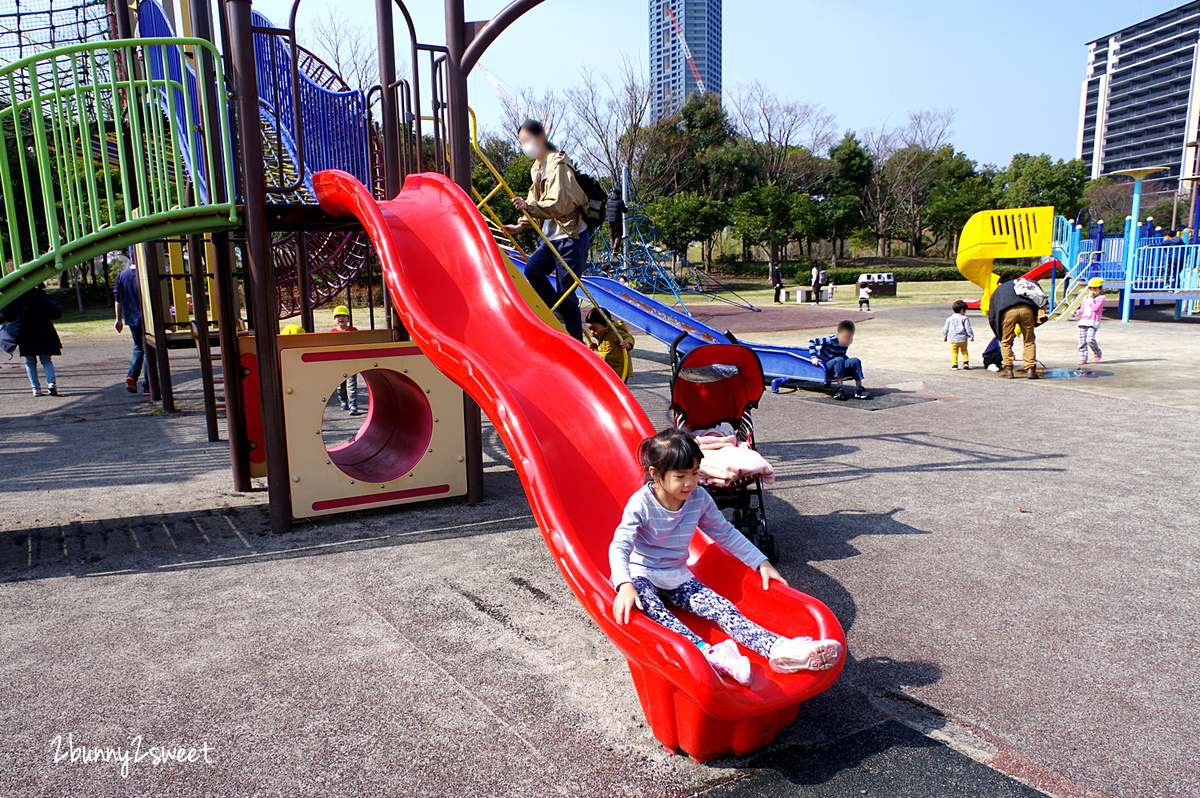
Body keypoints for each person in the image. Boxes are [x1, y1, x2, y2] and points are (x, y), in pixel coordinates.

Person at [610, 429, 842, 686]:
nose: (689, 483)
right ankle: (708, 653)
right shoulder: (641, 503)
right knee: (649, 608)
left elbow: (724, 532)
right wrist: (624, 584)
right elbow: (619, 546)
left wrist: (760, 561)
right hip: (641, 574)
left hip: (676, 576)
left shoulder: (698, 498)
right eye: (680, 476)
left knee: (721, 607)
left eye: (695, 473)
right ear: (655, 474)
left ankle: (780, 648)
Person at [503, 119, 590, 341]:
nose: (524, 146)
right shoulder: (537, 167)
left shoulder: (559, 165)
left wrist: (529, 207)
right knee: (532, 270)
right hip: (550, 238)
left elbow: (558, 203)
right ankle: (557, 310)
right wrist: (520, 225)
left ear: (540, 138)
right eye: (521, 142)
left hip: (570, 236)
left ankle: (576, 345)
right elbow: (533, 201)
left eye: (526, 141)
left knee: (567, 294)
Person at [1, 286, 62, 396]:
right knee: (46, 359)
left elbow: (6, 314)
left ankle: (36, 389)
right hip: (43, 329)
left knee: (30, 362)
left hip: (24, 330)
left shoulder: (16, 295)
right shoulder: (40, 294)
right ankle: (51, 383)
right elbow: (56, 313)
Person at [987, 276, 1047, 379]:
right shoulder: (1026, 283)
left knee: (1006, 342)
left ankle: (1008, 369)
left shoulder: (999, 290)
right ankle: (1031, 369)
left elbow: (992, 314)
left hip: (1007, 311)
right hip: (1027, 310)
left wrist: (998, 333)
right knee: (1029, 340)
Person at [809, 320, 871, 400]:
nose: (847, 340)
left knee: (855, 360)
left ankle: (859, 388)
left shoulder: (847, 342)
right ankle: (839, 387)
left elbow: (841, 353)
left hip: (839, 365)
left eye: (849, 337)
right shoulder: (831, 340)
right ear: (838, 334)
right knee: (839, 360)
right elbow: (812, 342)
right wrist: (814, 357)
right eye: (844, 337)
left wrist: (849, 362)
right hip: (826, 366)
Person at [113, 261, 149, 395]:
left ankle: (132, 375)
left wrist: (118, 319)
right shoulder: (145, 274)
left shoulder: (122, 276)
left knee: (138, 347)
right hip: (148, 317)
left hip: (132, 317)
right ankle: (148, 386)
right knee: (149, 351)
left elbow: (118, 298)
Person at [584, 307, 634, 382]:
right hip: (608, 368)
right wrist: (596, 346)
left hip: (619, 370)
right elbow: (607, 347)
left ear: (606, 326)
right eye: (590, 329)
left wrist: (628, 344)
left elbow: (629, 337)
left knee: (617, 388)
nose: (591, 332)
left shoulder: (615, 332)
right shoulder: (601, 333)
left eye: (594, 329)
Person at [329, 305, 359, 414]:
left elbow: (358, 343)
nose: (340, 318)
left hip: (351, 362)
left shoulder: (353, 331)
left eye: (343, 316)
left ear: (348, 319)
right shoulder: (332, 332)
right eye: (338, 316)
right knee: (340, 385)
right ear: (334, 319)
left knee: (352, 385)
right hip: (339, 363)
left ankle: (353, 405)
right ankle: (343, 400)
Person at [1073, 277, 1105, 364]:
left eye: (1095, 290)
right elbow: (1083, 310)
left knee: (1090, 339)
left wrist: (1091, 299)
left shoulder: (1101, 298)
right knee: (1082, 341)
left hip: (1093, 322)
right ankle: (1083, 357)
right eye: (1091, 289)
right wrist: (1077, 312)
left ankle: (1097, 352)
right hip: (1083, 321)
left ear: (1100, 290)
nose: (1092, 292)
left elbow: (1095, 308)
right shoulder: (1085, 298)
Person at [943, 300, 975, 370]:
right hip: (963, 338)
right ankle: (966, 362)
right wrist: (971, 335)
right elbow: (968, 328)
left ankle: (954, 365)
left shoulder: (949, 319)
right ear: (962, 310)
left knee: (954, 352)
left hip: (953, 339)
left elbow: (945, 328)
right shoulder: (965, 318)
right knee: (964, 350)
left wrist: (945, 336)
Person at [605, 186, 627, 255]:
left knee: (611, 235)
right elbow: (625, 211)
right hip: (616, 220)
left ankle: (611, 249)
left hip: (609, 220)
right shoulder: (620, 201)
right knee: (618, 234)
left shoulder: (609, 201)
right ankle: (615, 249)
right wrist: (626, 208)